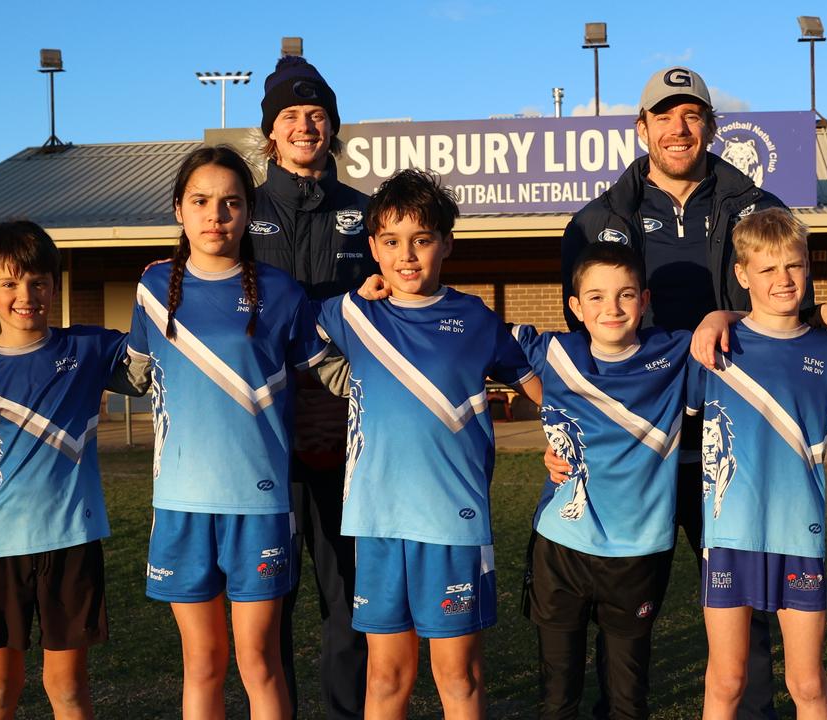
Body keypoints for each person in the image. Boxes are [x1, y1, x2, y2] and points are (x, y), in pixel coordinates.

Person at [557, 65, 794, 720]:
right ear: (642, 128)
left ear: (712, 127)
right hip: (638, 456)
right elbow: (581, 350)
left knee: (745, 610)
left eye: (691, 115)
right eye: (664, 115)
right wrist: (563, 440)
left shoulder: (761, 209)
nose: (678, 128)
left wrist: (730, 317)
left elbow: (787, 309)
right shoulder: (596, 222)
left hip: (734, 447)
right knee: (624, 616)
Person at [314, 168, 541, 718]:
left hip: (451, 523)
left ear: (447, 244)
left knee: (457, 676)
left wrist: (564, 438)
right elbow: (289, 336)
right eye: (390, 242)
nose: (406, 255)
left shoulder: (475, 319)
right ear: (372, 247)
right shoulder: (350, 314)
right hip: (378, 522)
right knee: (387, 676)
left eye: (421, 239)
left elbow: (535, 381)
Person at [123, 145, 328, 718]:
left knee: (257, 660)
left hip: (257, 502)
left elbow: (331, 372)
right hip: (180, 503)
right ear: (179, 211)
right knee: (203, 663)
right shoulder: (153, 287)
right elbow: (133, 372)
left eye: (231, 203)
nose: (216, 215)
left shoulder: (283, 292)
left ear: (248, 213)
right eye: (202, 201)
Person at [0, 220, 132, 719]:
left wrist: (156, 284)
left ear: (54, 285)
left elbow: (156, 349)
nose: (26, 295)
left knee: (67, 689)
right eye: (10, 283)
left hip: (71, 543)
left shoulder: (85, 350)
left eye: (38, 282)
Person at [513, 242, 699, 719]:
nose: (611, 308)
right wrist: (549, 426)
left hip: (638, 551)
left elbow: (760, 329)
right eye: (595, 297)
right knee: (558, 698)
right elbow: (471, 331)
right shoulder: (553, 350)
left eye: (625, 294)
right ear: (575, 307)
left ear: (646, 298)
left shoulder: (677, 351)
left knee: (627, 700)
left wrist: (723, 317)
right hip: (562, 546)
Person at [694, 209, 827, 719]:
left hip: (799, 535)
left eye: (794, 265)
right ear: (742, 275)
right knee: (727, 681)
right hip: (729, 535)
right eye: (767, 270)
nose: (783, 279)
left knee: (807, 684)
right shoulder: (714, 347)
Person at [251, 53, 376, 720]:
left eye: (317, 114)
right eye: (291, 115)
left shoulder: (367, 213)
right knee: (268, 599)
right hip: (260, 437)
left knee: (346, 594)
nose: (305, 125)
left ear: (333, 128)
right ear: (270, 132)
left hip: (344, 433)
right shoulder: (239, 212)